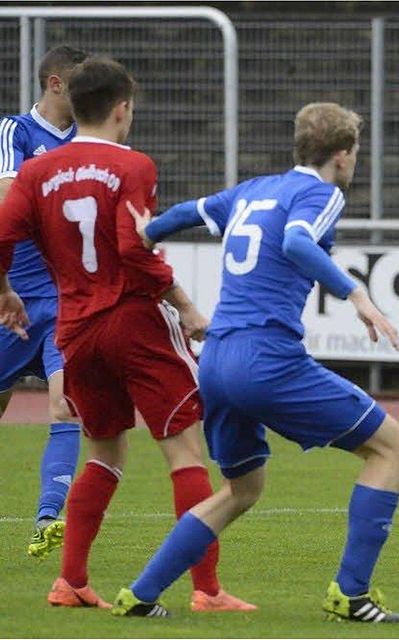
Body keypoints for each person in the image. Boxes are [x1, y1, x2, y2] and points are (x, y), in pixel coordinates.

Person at [110, 102, 399, 622]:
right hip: (265, 360)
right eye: (354, 152)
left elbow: (190, 212)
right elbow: (296, 240)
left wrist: (149, 231)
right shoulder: (321, 193)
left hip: (218, 359)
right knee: (393, 447)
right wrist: (355, 293)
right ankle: (352, 593)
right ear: (342, 156)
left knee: (242, 489)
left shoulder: (251, 191)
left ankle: (140, 594)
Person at [0, 55, 253, 612]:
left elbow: (1, 230)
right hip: (133, 320)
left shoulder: (39, 171)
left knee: (104, 451)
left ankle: (70, 581)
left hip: (76, 327)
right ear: (122, 109)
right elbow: (134, 252)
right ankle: (206, 591)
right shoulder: (133, 166)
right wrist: (185, 306)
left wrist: (3, 291)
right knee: (186, 452)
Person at [0, 45, 87, 559]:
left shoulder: (89, 139)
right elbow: (9, 200)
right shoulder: (15, 132)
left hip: (65, 304)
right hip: (12, 301)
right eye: (81, 87)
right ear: (55, 84)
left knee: (65, 406)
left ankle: (48, 516)